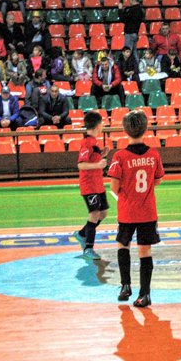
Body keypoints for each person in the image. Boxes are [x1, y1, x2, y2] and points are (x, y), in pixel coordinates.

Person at [108, 110, 165, 307]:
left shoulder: (120, 156)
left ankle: (125, 286)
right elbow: (157, 179)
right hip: (148, 211)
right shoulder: (153, 154)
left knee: (123, 245)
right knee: (145, 250)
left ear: (125, 130)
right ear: (146, 129)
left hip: (127, 211)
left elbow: (114, 186)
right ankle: (145, 294)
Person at [73, 111, 110, 260]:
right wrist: (98, 164)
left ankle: (82, 234)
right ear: (97, 126)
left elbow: (92, 159)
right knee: (94, 214)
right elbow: (81, 165)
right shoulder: (87, 143)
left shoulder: (94, 142)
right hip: (89, 185)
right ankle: (88, 248)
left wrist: (102, 154)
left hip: (98, 184)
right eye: (102, 123)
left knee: (103, 212)